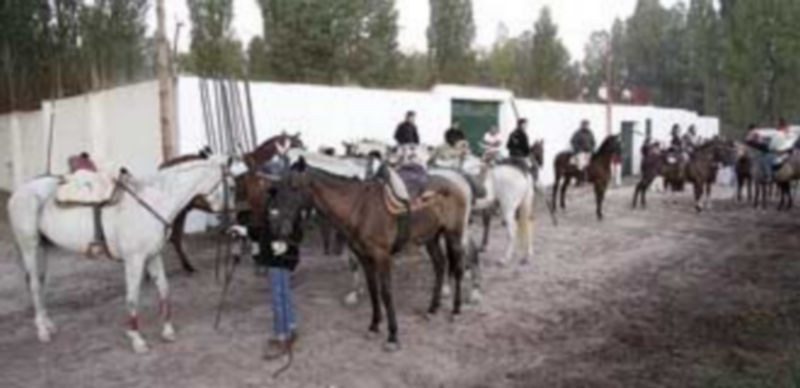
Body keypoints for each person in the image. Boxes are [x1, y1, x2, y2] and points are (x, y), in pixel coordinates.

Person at [260, 192, 303, 361]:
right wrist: (244, 230)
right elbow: (264, 229)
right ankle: (291, 326)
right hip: (275, 255)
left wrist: (287, 244)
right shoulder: (271, 202)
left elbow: (297, 231)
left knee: (278, 295)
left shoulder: (283, 204)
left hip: (279, 257)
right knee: (283, 293)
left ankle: (281, 336)